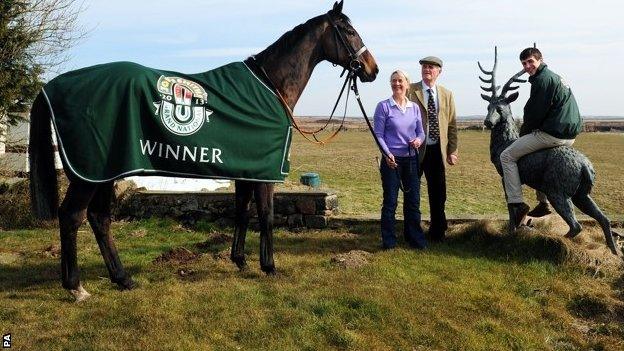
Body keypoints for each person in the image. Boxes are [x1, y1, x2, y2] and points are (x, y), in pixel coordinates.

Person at [501, 47, 582, 228]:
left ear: (540, 59)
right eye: (524, 63)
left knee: (506, 156)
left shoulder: (542, 80)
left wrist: (523, 133)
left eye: (531, 61)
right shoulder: (555, 77)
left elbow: (534, 113)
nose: (528, 66)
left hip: (554, 133)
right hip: (570, 134)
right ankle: (543, 203)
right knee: (538, 157)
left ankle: (517, 203)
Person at [373, 70, 427, 250]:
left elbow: (421, 132)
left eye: (400, 81)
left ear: (407, 84)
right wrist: (388, 155)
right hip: (391, 162)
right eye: (393, 81)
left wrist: (419, 140)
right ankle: (389, 242)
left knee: (413, 202)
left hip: (412, 160)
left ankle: (415, 239)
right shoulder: (383, 106)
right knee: (390, 201)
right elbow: (379, 135)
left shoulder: (414, 108)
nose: (397, 84)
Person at [408, 56, 458, 242]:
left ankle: (437, 232)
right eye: (424, 67)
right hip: (414, 150)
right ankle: (412, 231)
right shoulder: (410, 90)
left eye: (430, 67)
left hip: (437, 151)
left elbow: (452, 125)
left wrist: (452, 150)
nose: (426, 70)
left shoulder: (446, 94)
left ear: (439, 71)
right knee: (412, 192)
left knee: (438, 193)